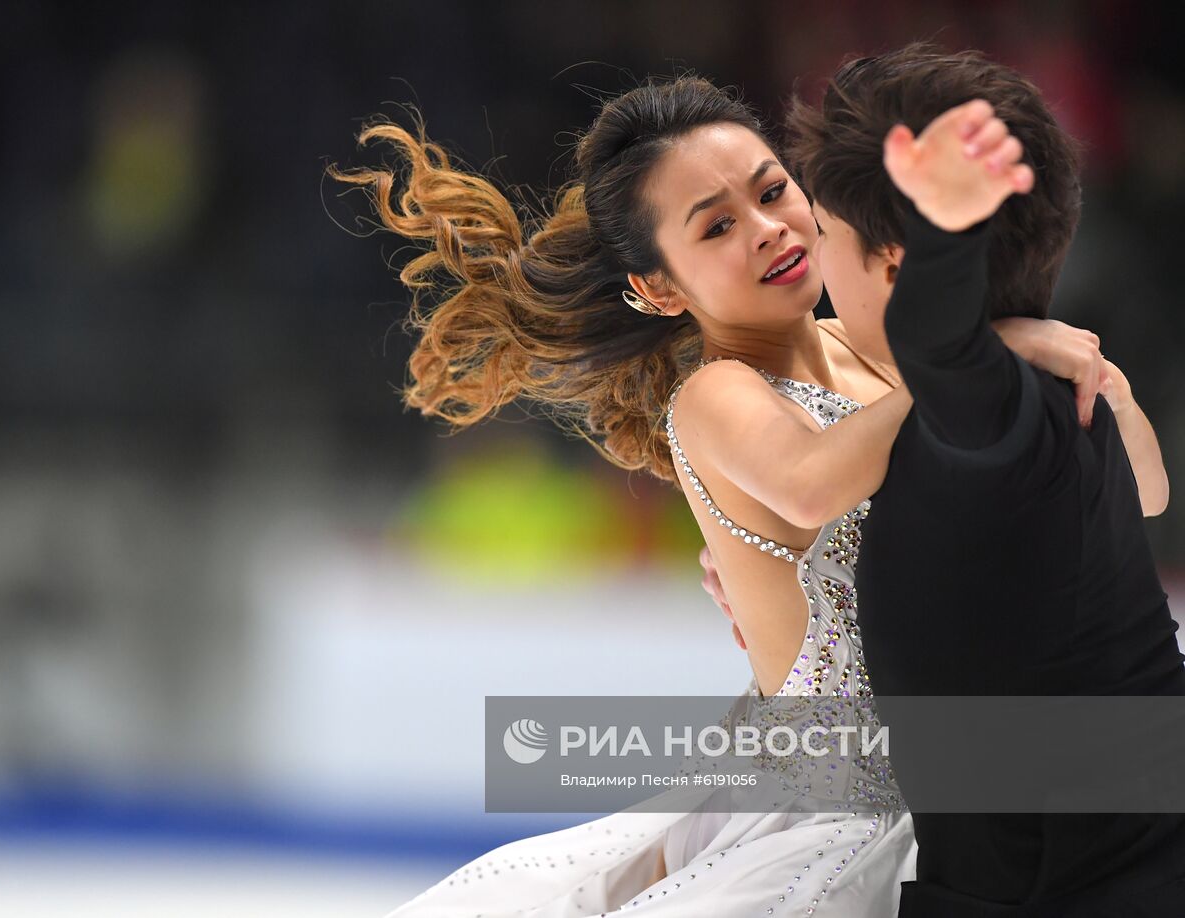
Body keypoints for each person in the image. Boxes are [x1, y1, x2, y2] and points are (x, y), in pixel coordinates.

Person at [327, 55, 1162, 917]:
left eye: (771, 192)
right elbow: (806, 487)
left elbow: (1139, 496)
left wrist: (1100, 383)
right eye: (715, 228)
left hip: (972, 779)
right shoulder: (719, 393)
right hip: (849, 808)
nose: (767, 228)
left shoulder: (875, 348)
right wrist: (980, 359)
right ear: (657, 286)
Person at [769, 45, 1185, 916]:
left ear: (894, 264)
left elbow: (940, 347)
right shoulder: (1047, 391)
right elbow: (1151, 497)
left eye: (826, 231)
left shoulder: (1008, 413)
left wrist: (944, 234)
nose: (810, 255)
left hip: (1084, 886)